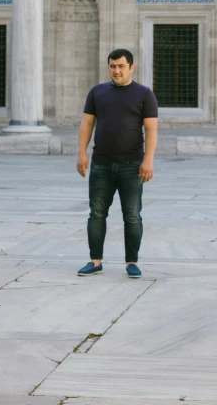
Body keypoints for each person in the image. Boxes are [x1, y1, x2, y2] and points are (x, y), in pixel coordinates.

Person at [76, 49, 158, 278]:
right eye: (112, 66)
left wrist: (148, 160)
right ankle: (95, 261)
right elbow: (86, 125)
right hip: (101, 164)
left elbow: (151, 130)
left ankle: (131, 262)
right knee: (96, 214)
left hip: (132, 165)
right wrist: (81, 154)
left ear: (131, 67)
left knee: (132, 215)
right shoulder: (97, 92)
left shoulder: (144, 94)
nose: (116, 70)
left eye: (121, 66)